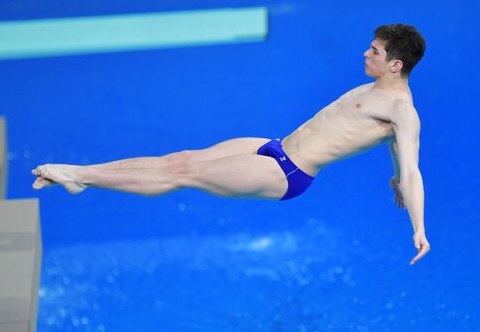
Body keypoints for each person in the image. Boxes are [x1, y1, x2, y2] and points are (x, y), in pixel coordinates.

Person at [32, 23, 430, 265]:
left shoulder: (401, 110)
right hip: (274, 146)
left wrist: (418, 226)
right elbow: (395, 157)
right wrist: (394, 180)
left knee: (183, 174)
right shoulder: (375, 88)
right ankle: (80, 176)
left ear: (396, 64)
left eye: (375, 51)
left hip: (286, 173)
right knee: (181, 158)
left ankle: (78, 175)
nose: (366, 53)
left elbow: (412, 168)